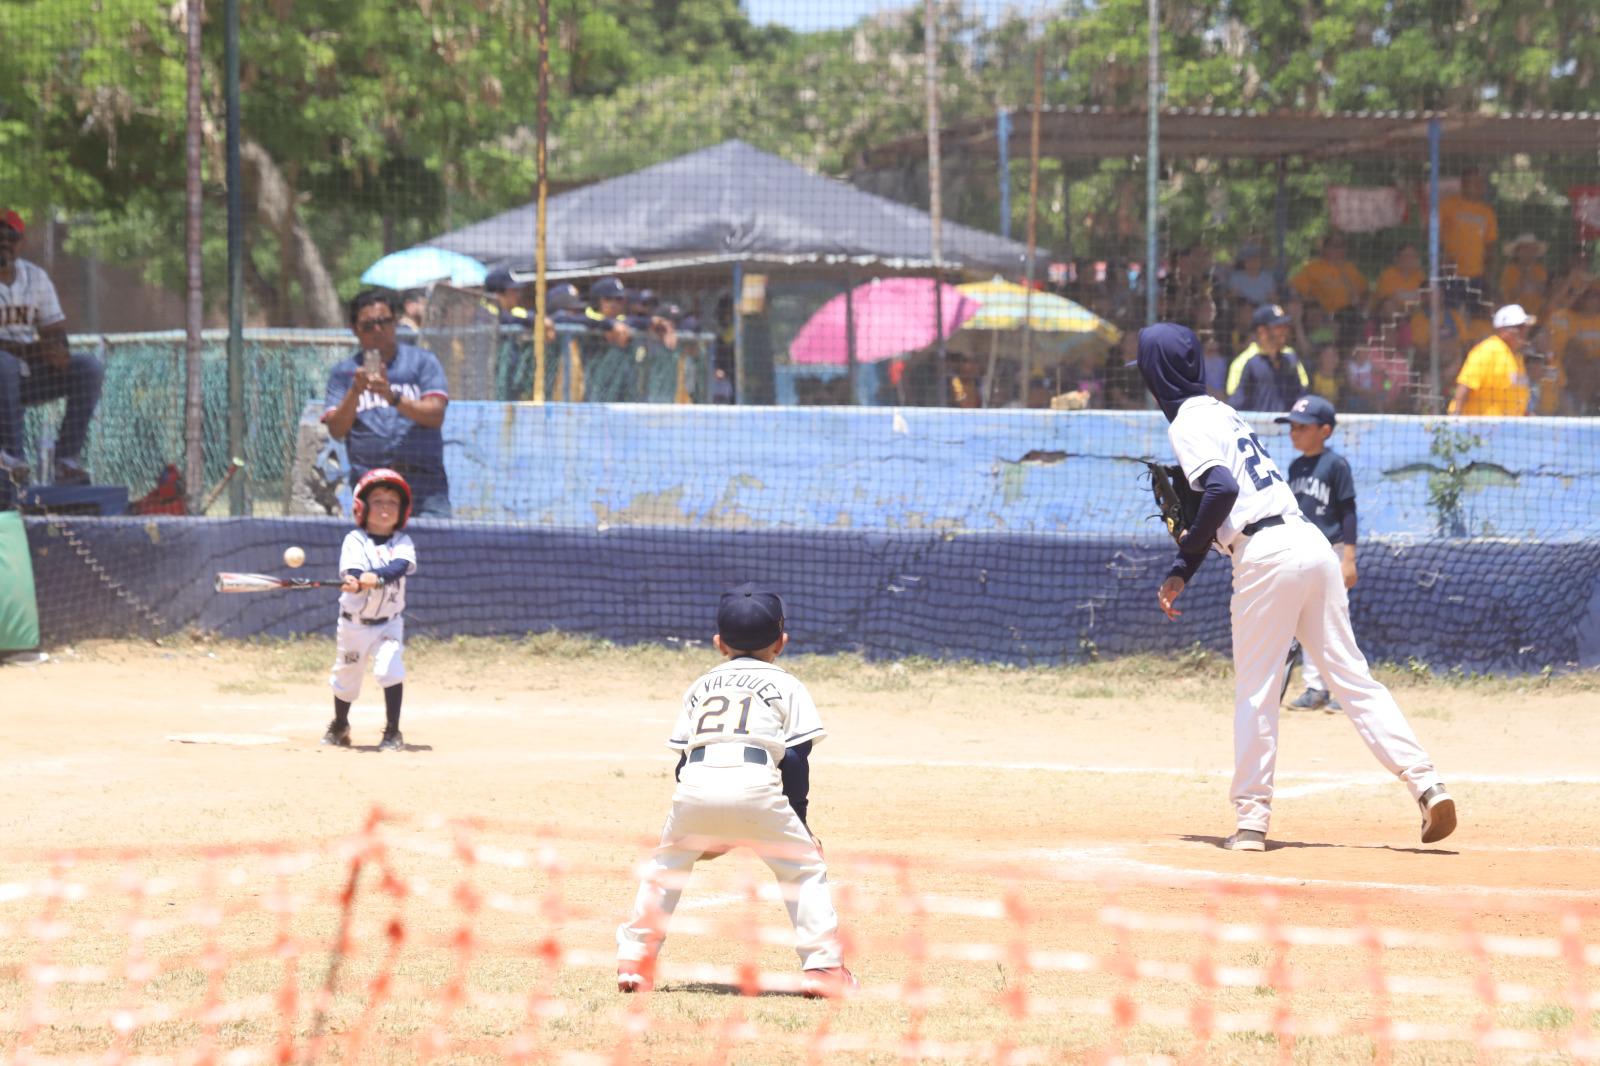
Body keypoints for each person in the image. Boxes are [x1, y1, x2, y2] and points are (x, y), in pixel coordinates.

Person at [1133, 322, 1456, 852]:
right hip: (1308, 543)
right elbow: (1234, 500)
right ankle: (1426, 782)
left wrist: (1188, 542)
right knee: (1353, 679)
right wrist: (1183, 568)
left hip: (1265, 557)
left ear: (1156, 371)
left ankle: (1252, 822)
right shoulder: (1221, 411)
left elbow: (1222, 490)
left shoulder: (1186, 424)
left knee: (1257, 690)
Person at [615, 583, 857, 999]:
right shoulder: (786, 684)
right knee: (803, 867)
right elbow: (796, 760)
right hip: (756, 783)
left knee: (664, 869)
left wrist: (703, 827)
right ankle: (823, 968)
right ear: (782, 642)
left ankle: (636, 962)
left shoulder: (700, 685)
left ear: (718, 643)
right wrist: (799, 823)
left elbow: (682, 762)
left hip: (696, 785)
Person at [324, 289, 452, 516]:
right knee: (374, 551)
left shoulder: (421, 363)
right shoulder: (343, 374)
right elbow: (336, 429)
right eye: (368, 325)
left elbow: (435, 414)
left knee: (434, 550)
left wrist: (392, 397)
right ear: (354, 329)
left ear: (395, 322)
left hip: (424, 485)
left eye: (384, 322)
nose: (378, 330)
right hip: (371, 485)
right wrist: (355, 390)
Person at [0, 209, 105, 487]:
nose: (3, 242)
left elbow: (56, 333)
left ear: (20, 242)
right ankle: (11, 460)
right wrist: (34, 349)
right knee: (4, 365)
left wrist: (58, 351)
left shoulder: (36, 278)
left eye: (10, 236)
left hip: (26, 377)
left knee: (87, 367)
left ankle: (66, 461)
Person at [323, 467, 417, 753]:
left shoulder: (402, 542)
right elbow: (352, 567)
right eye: (378, 500)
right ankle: (340, 724)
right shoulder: (354, 539)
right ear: (361, 507)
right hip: (355, 625)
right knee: (347, 678)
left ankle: (392, 731)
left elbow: (398, 567)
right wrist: (354, 578)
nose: (386, 507)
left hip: (389, 624)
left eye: (392, 502)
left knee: (391, 668)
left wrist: (374, 577)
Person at [1275, 396, 1358, 712]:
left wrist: (1349, 557)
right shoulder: (1295, 467)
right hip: (1300, 552)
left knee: (1335, 621)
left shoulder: (1336, 465)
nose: (1294, 433)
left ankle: (1344, 690)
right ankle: (1316, 688)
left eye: (1302, 427)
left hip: (1332, 551)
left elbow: (1348, 511)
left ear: (1325, 430)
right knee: (1303, 621)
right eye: (1292, 427)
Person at [1449, 304, 1532, 417]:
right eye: (1519, 327)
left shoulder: (1517, 356)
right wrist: (1454, 421)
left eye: (1525, 327)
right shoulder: (1487, 351)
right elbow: (1464, 387)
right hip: (1481, 428)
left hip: (1511, 429)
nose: (1524, 332)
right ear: (1502, 329)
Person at [1229, 305, 1308, 412]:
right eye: (1278, 327)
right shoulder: (1242, 362)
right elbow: (1236, 404)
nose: (1284, 331)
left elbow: (1302, 395)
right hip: (1257, 426)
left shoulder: (1291, 358)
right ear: (1262, 331)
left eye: (1285, 326)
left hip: (1288, 426)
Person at [1440, 169, 1498, 294]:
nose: (1479, 186)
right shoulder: (1448, 205)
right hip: (1452, 272)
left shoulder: (1487, 212)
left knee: (1476, 312)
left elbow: (1490, 244)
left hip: (1477, 275)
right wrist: (1443, 259)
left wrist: (1488, 273)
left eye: (1481, 182)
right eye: (1474, 182)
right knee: (1451, 311)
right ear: (1463, 184)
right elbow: (1433, 235)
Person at [1290, 235, 1368, 317]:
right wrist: (1311, 304)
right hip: (1323, 317)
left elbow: (1365, 292)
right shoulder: (1312, 268)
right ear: (1324, 248)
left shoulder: (1351, 268)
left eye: (1342, 246)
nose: (1338, 249)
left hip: (1350, 317)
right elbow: (1293, 290)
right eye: (1334, 246)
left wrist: (1361, 306)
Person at [1499, 234, 1549, 318]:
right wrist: (1524, 275)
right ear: (1517, 252)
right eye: (1525, 249)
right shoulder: (1509, 270)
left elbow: (1544, 292)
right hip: (1515, 316)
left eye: (1532, 249)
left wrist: (1530, 274)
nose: (1529, 252)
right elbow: (1509, 295)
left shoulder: (1540, 270)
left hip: (1538, 315)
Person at [1375, 243, 1426, 307]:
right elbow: (1386, 300)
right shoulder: (1387, 275)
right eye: (1407, 256)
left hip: (1414, 311)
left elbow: (1425, 297)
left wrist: (1402, 295)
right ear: (1397, 258)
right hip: (1392, 312)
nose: (1411, 260)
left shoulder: (1420, 275)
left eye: (1414, 256)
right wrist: (1413, 295)